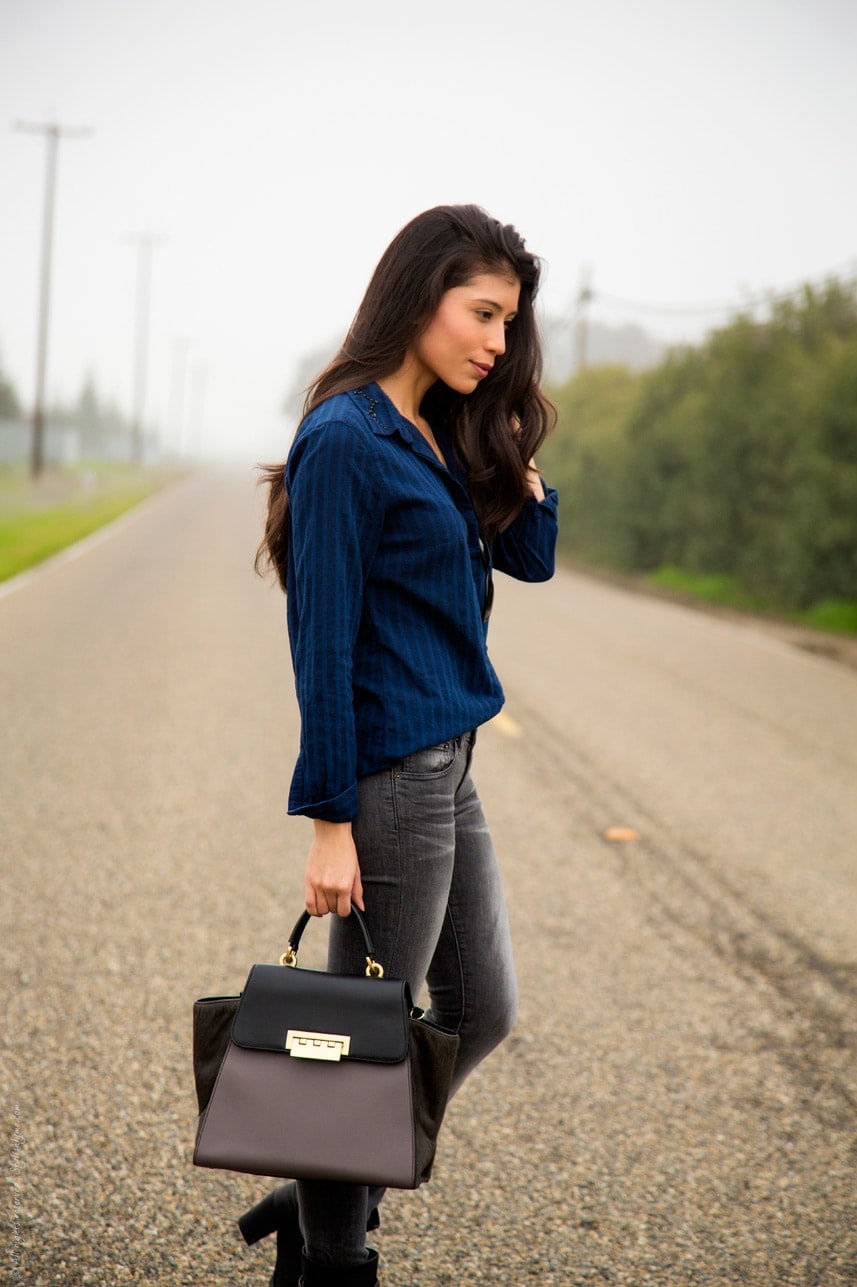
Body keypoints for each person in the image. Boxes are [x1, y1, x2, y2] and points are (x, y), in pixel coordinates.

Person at [240, 204, 559, 1287]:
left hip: (449, 768)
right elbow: (320, 641)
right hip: (388, 783)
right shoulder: (345, 438)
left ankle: (326, 1182)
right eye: (482, 315)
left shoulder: (438, 427)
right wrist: (330, 822)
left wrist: (508, 433)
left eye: (509, 324)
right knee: (361, 1032)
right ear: (417, 296)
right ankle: (335, 1255)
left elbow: (535, 557)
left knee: (482, 1010)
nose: (497, 342)